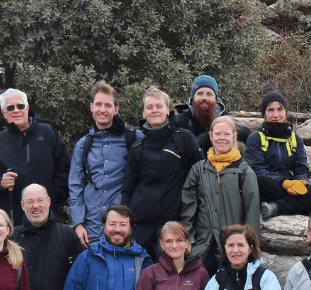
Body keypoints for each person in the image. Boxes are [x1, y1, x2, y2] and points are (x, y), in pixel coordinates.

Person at [121, 86, 204, 259]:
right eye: (149, 107)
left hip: (173, 224)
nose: (154, 111)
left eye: (159, 106)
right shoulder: (137, 148)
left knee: (171, 278)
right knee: (141, 278)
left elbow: (201, 178)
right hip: (142, 227)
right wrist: (126, 221)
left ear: (168, 109)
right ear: (143, 113)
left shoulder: (184, 138)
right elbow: (128, 189)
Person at [0, 88, 71, 226]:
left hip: (46, 215)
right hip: (12, 219)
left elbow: (65, 170)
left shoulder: (48, 133)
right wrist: (0, 182)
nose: (16, 110)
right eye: (10, 108)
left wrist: (52, 197)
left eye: (20, 106)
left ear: (27, 108)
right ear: (4, 113)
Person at [69, 81, 142, 249]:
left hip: (123, 225)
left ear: (116, 110)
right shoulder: (83, 145)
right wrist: (78, 223)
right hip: (92, 226)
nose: (102, 109)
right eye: (99, 104)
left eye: (108, 105)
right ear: (91, 107)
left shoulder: (133, 138)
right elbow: (75, 186)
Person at [181, 115, 259, 270]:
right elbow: (188, 208)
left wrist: (250, 245)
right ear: (211, 136)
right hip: (203, 245)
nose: (222, 138)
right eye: (217, 134)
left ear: (234, 136)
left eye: (227, 134)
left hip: (232, 247)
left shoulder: (244, 171)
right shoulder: (198, 169)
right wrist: (188, 240)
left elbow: (252, 211)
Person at [246, 92, 311, 221]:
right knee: (260, 179)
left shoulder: (296, 139)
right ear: (264, 114)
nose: (276, 115)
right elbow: (257, 169)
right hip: (271, 188)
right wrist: (283, 183)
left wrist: (301, 182)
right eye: (270, 110)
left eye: (280, 109)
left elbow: (301, 168)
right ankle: (306, 206)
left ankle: (277, 207)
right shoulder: (255, 138)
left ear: (286, 112)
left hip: (294, 188)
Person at [172, 75, 251, 155]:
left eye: (209, 94)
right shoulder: (183, 118)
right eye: (200, 94)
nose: (204, 98)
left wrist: (210, 135)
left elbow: (248, 135)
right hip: (192, 164)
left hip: (223, 163)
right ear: (193, 98)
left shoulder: (224, 117)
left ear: (215, 99)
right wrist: (199, 141)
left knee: (240, 145)